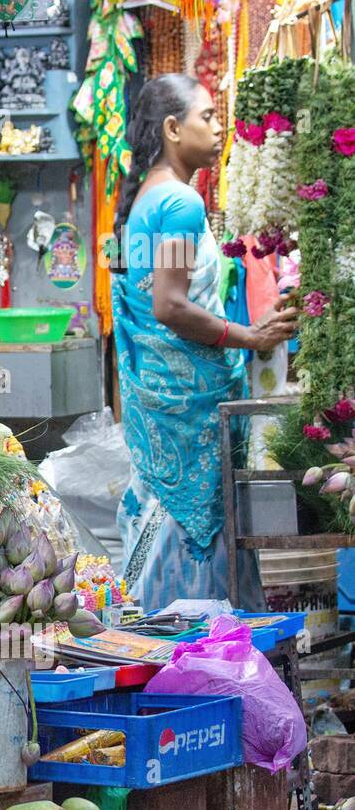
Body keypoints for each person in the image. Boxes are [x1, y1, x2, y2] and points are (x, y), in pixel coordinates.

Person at [111, 74, 298, 610]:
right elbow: (168, 305)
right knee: (199, 538)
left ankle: (163, 657)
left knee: (166, 534)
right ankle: (205, 658)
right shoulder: (181, 204)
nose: (220, 129)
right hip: (190, 414)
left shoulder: (145, 200)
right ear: (173, 128)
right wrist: (249, 336)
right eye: (208, 117)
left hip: (161, 407)